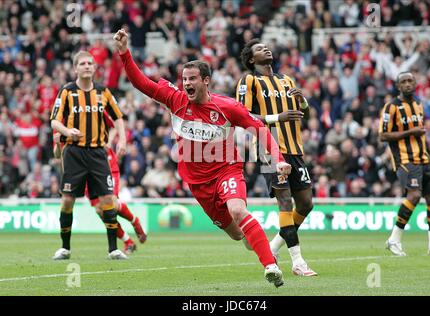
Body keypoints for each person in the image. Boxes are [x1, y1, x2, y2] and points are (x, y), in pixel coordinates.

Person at [114, 29, 291, 287]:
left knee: (238, 209)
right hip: (198, 184)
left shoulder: (227, 107)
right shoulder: (174, 99)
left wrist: (279, 159)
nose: (187, 83)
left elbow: (260, 129)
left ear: (206, 81)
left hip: (227, 170)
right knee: (235, 233)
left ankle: (271, 266)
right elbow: (141, 83)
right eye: (184, 78)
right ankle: (254, 240)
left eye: (193, 78)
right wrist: (124, 53)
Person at [237, 39, 317, 276]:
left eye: (266, 47)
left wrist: (303, 100)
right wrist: (275, 118)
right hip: (268, 147)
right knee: (285, 202)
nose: (266, 49)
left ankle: (273, 247)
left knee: (306, 204)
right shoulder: (249, 80)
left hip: (295, 149)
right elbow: (242, 116)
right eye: (259, 49)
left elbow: (305, 113)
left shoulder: (287, 80)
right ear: (252, 59)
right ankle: (298, 262)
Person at [50, 51, 128, 260]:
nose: (86, 66)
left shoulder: (103, 92)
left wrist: (122, 140)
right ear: (75, 68)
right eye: (82, 63)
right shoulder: (66, 92)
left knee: (108, 200)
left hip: (97, 153)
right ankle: (65, 248)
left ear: (94, 68)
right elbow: (54, 121)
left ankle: (113, 249)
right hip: (74, 153)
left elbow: (118, 117)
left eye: (90, 63)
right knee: (67, 201)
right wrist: (67, 132)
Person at [52, 112, 147, 255]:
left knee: (111, 203)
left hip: (104, 163)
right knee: (100, 210)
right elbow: (57, 153)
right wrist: (59, 144)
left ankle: (135, 221)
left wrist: (109, 143)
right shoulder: (60, 122)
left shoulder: (88, 107)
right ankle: (128, 241)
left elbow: (115, 123)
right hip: (81, 168)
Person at [379, 71, 430, 256]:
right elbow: (383, 135)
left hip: (424, 159)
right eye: (404, 81)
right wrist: (410, 132)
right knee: (414, 196)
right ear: (398, 86)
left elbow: (420, 133)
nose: (408, 84)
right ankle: (394, 239)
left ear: (415, 84)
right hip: (405, 160)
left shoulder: (418, 104)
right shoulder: (391, 107)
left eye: (410, 81)